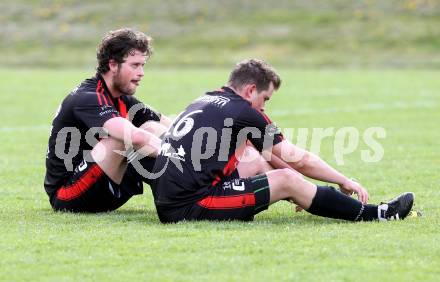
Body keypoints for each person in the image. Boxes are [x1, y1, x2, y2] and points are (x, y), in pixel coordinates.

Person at [151, 58, 415, 223]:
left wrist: (303, 189)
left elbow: (270, 156)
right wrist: (342, 180)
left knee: (257, 158)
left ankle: (309, 196)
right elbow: (297, 158)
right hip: (190, 206)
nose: (263, 108)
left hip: (170, 198)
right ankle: (377, 214)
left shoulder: (205, 98)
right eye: (265, 99)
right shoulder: (245, 112)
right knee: (287, 179)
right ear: (250, 90)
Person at [44, 28, 171, 212]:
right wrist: (180, 157)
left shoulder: (120, 97)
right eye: (135, 65)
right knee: (124, 137)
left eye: (143, 65)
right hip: (67, 195)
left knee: (152, 127)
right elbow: (135, 138)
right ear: (113, 65)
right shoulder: (88, 97)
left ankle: (182, 194)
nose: (141, 72)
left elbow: (170, 126)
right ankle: (182, 195)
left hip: (102, 187)